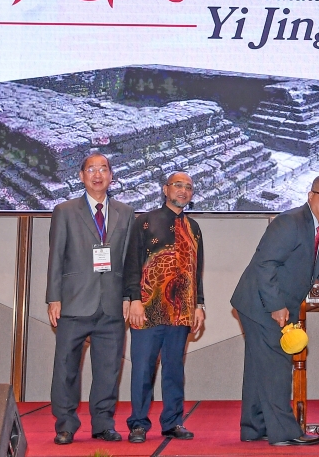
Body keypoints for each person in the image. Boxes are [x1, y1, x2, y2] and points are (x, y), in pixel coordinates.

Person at [231, 175, 319, 446]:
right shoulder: (290, 222)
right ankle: (285, 432)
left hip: (267, 305)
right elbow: (265, 265)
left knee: (259, 368)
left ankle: (253, 427)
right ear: (311, 196)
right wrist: (277, 306)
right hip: (261, 304)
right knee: (277, 368)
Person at [46, 152, 135, 445]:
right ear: (82, 176)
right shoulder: (65, 210)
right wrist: (53, 297)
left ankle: (103, 423)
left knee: (108, 368)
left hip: (111, 303)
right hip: (73, 301)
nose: (98, 175)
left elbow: (129, 260)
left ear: (111, 176)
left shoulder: (126, 212)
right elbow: (55, 256)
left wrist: (128, 296)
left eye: (104, 169)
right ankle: (65, 424)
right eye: (91, 170)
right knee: (66, 367)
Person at [123, 171, 205, 443]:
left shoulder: (194, 228)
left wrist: (199, 305)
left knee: (174, 369)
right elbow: (132, 263)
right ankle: (138, 423)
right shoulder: (145, 221)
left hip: (182, 311)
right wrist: (133, 299)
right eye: (178, 185)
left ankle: (172, 422)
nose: (183, 191)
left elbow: (196, 271)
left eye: (189, 187)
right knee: (143, 369)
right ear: (165, 189)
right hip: (147, 308)